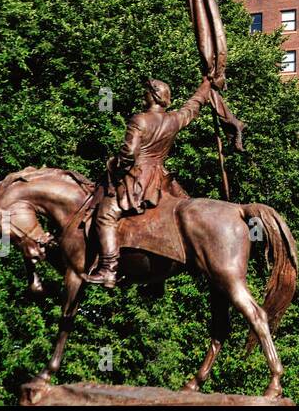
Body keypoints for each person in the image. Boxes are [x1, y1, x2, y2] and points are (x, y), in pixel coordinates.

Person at [84, 77, 212, 287]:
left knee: (105, 215)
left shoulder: (140, 120)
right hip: (162, 180)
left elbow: (128, 155)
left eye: (145, 92)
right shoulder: (174, 119)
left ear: (153, 95)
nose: (143, 96)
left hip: (138, 180)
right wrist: (207, 84)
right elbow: (193, 105)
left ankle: (108, 268)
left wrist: (114, 165)